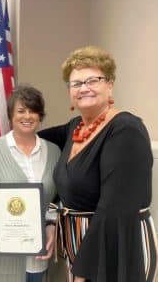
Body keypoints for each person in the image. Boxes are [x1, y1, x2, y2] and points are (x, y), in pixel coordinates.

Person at [38, 45, 158, 282]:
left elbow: (113, 208)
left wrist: (83, 270)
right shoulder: (75, 127)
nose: (84, 88)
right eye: (76, 83)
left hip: (116, 248)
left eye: (93, 80)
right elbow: (33, 137)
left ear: (110, 83)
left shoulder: (126, 130)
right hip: (81, 248)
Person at [0, 85, 60, 282]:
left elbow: (56, 196)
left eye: (33, 111)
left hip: (36, 254)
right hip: (0, 252)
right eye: (21, 110)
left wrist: (51, 223)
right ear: (11, 115)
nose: (27, 116)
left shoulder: (54, 153)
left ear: (40, 115)